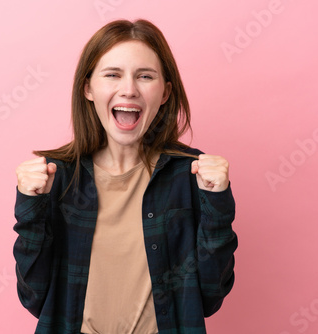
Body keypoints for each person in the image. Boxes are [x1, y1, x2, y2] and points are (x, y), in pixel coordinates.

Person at [13, 19, 237, 334]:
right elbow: (33, 297)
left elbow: (210, 297)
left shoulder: (192, 175)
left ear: (164, 93)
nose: (129, 89)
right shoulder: (54, 177)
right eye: (113, 75)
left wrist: (217, 204)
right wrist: (30, 207)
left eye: (145, 76)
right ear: (88, 88)